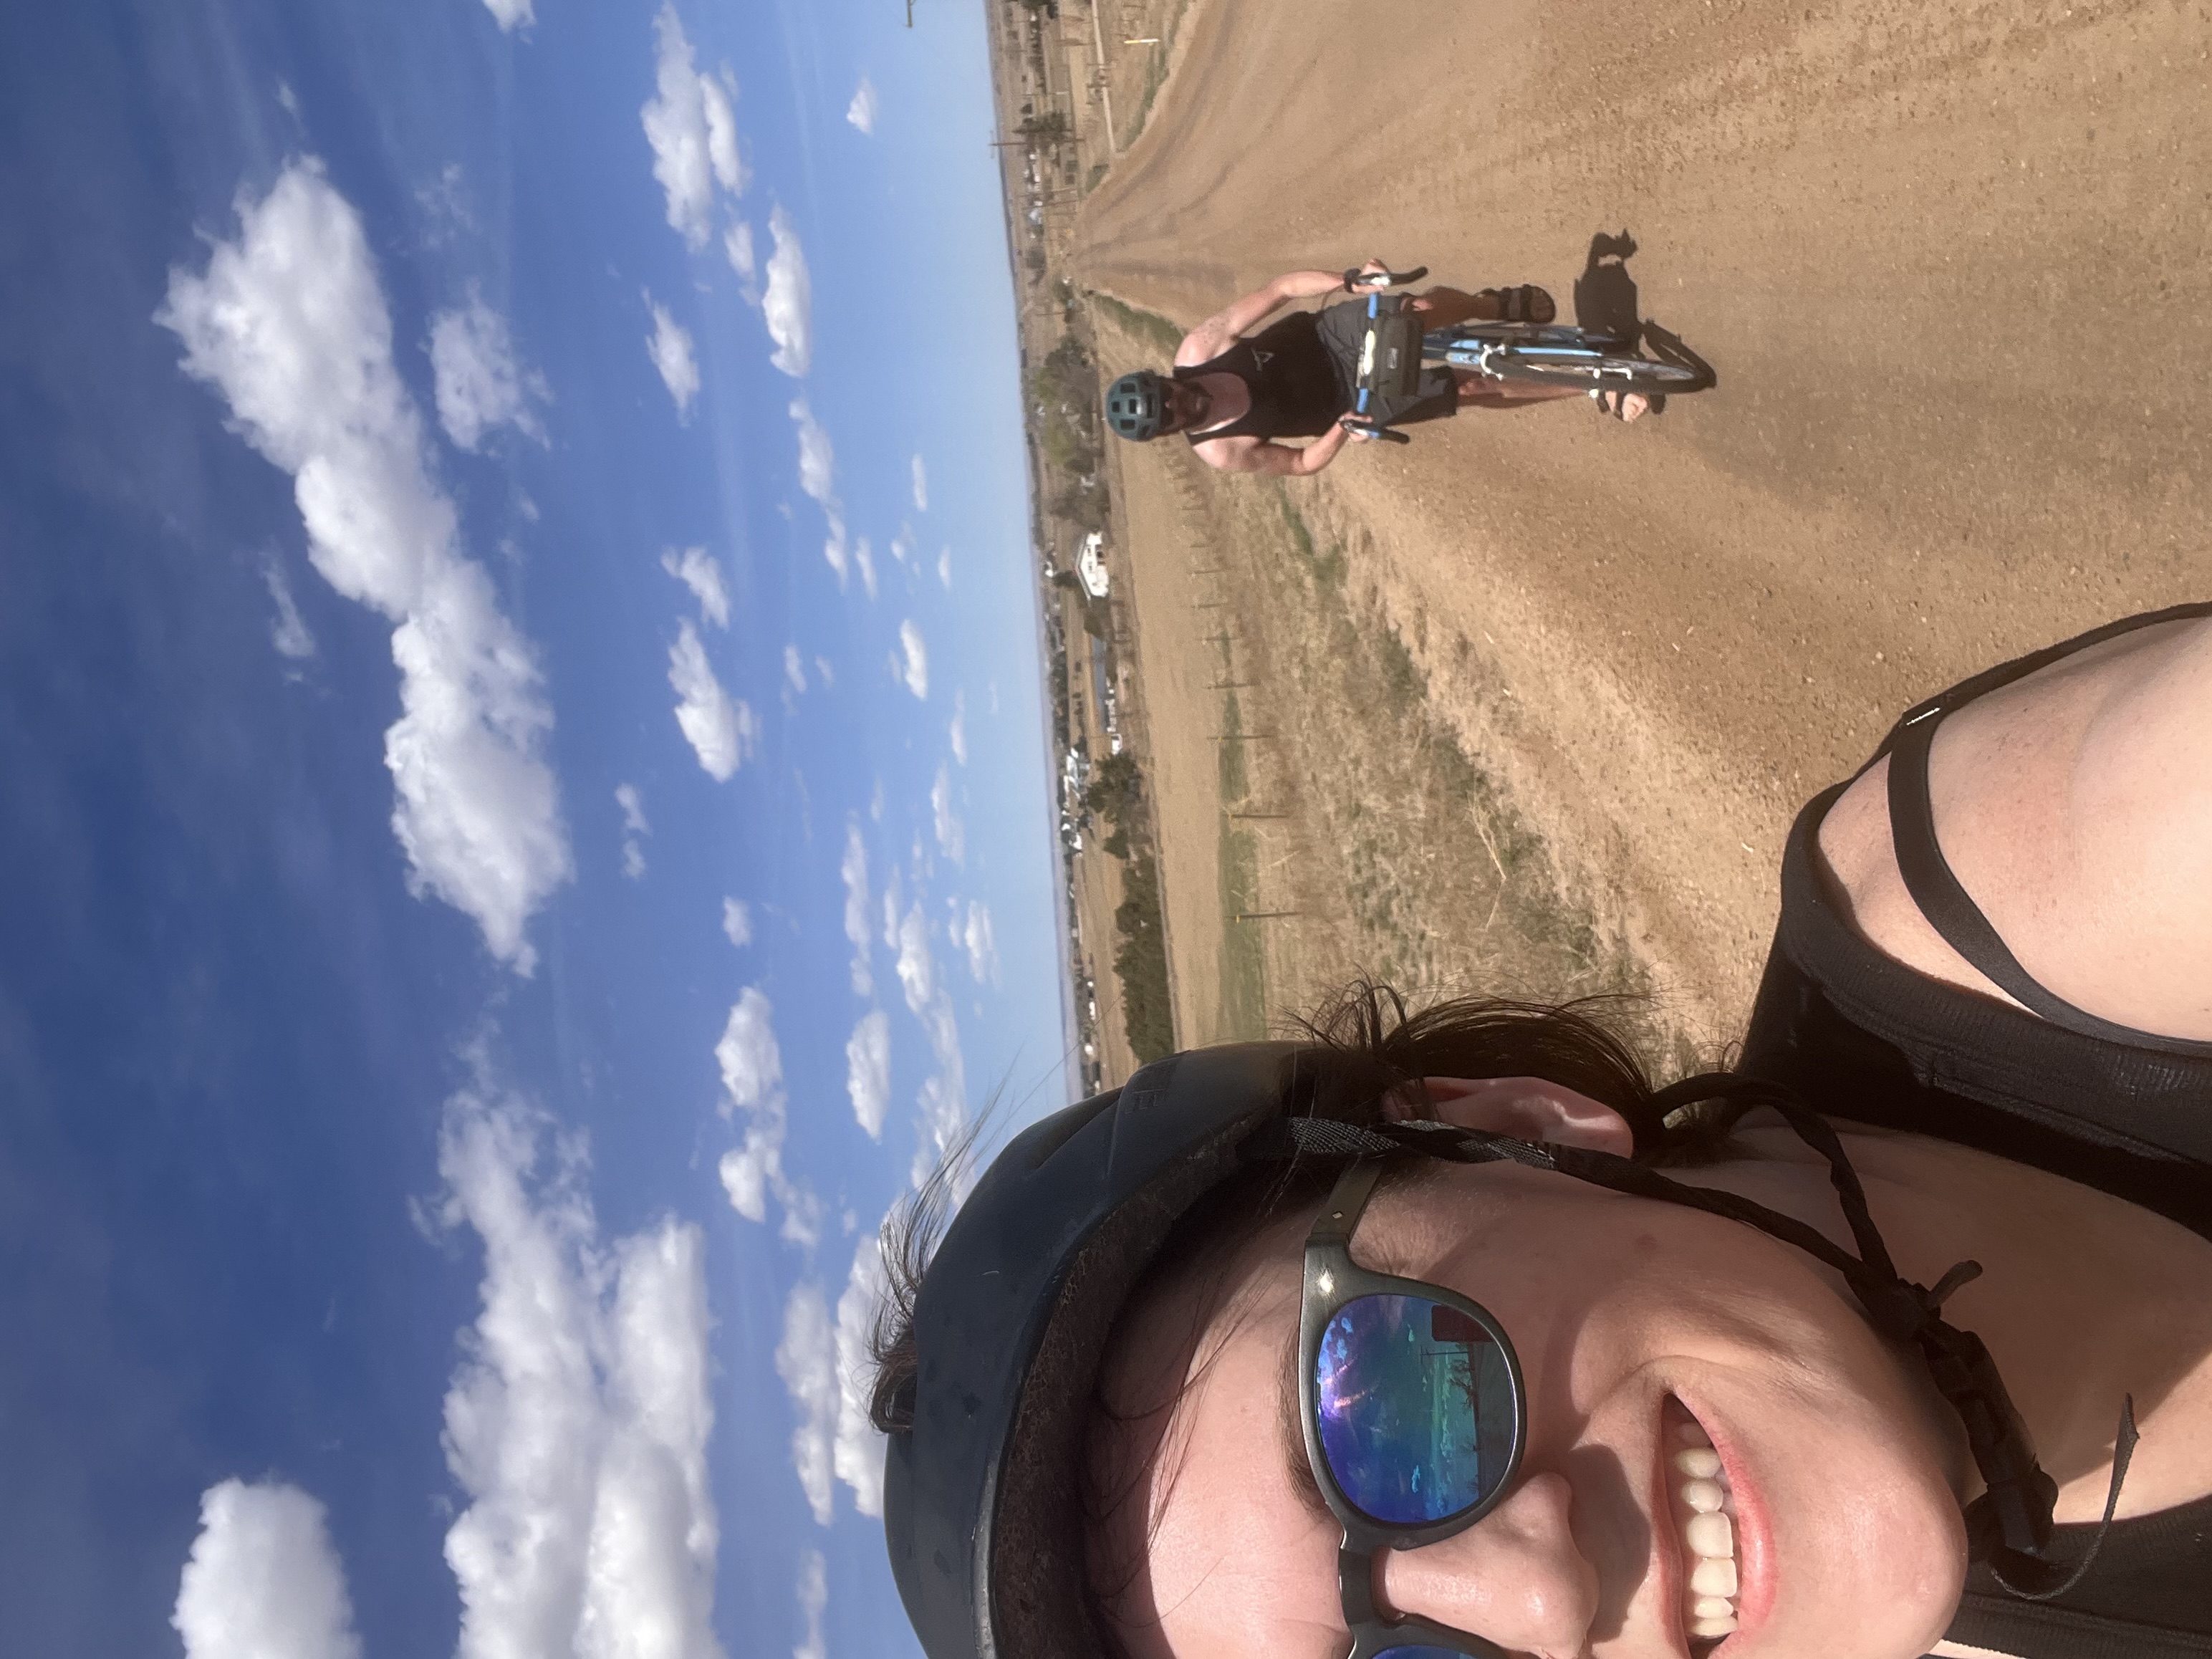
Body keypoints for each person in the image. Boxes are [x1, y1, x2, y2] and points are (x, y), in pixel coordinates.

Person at [871, 602, 2212, 1659]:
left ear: (1516, 1122)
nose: (1537, 1597)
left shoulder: (2024, 896)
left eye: (1394, 1415)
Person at [1102, 261, 1652, 478]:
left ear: (1164, 378)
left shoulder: (1201, 348)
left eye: (1166, 394)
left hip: (1327, 338)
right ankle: (1587, 386)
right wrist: (1341, 433)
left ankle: (1491, 306)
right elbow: (1298, 464)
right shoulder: (1221, 448)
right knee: (1472, 388)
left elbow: (1281, 290)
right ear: (1170, 433)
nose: (1178, 403)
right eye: (1169, 417)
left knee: (1414, 311)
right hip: (1350, 404)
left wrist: (1348, 283)